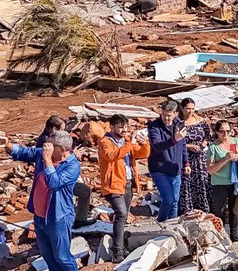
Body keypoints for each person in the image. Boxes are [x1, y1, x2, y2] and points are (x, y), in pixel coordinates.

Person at [7, 131, 84, 271]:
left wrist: (48, 160)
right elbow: (27, 153)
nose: (46, 148)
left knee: (62, 255)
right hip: (40, 216)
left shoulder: (72, 166)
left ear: (63, 149)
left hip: (58, 216)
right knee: (48, 255)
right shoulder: (44, 154)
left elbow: (54, 183)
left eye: (51, 146)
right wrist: (10, 147)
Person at [98, 114, 150, 262]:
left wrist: (144, 143)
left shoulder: (126, 141)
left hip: (127, 183)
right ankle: (117, 250)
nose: (124, 130)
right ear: (112, 127)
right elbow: (111, 155)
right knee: (120, 213)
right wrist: (128, 146)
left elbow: (142, 153)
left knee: (124, 215)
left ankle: (121, 245)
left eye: (125, 127)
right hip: (113, 184)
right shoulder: (105, 142)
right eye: (121, 127)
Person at [35, 116, 94, 229]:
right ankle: (77, 220)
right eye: (61, 129)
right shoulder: (48, 143)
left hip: (57, 178)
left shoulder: (49, 140)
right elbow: (54, 162)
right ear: (53, 128)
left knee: (85, 191)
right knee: (83, 192)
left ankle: (79, 218)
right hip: (55, 180)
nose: (64, 132)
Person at [148, 100, 191, 222]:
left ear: (176, 113)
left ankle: (173, 226)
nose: (166, 118)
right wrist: (174, 139)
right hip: (159, 168)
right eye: (163, 114)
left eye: (169, 115)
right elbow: (157, 146)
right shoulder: (154, 126)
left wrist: (186, 162)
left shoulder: (179, 124)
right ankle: (160, 221)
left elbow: (182, 144)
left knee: (175, 202)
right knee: (168, 200)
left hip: (175, 168)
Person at [207, 121, 238, 242]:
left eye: (228, 131)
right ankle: (220, 235)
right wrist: (225, 159)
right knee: (220, 210)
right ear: (217, 132)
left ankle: (234, 235)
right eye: (222, 132)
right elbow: (210, 169)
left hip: (235, 182)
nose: (225, 134)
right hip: (219, 183)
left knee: (234, 209)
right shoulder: (213, 147)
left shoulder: (236, 142)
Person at [178, 98, 212, 215]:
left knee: (202, 181)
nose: (190, 111)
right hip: (186, 158)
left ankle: (204, 209)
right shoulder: (178, 123)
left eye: (193, 109)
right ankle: (187, 211)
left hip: (200, 158)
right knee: (187, 183)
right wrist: (189, 146)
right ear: (182, 108)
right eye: (188, 109)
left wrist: (204, 143)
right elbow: (176, 141)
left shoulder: (201, 121)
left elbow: (208, 136)